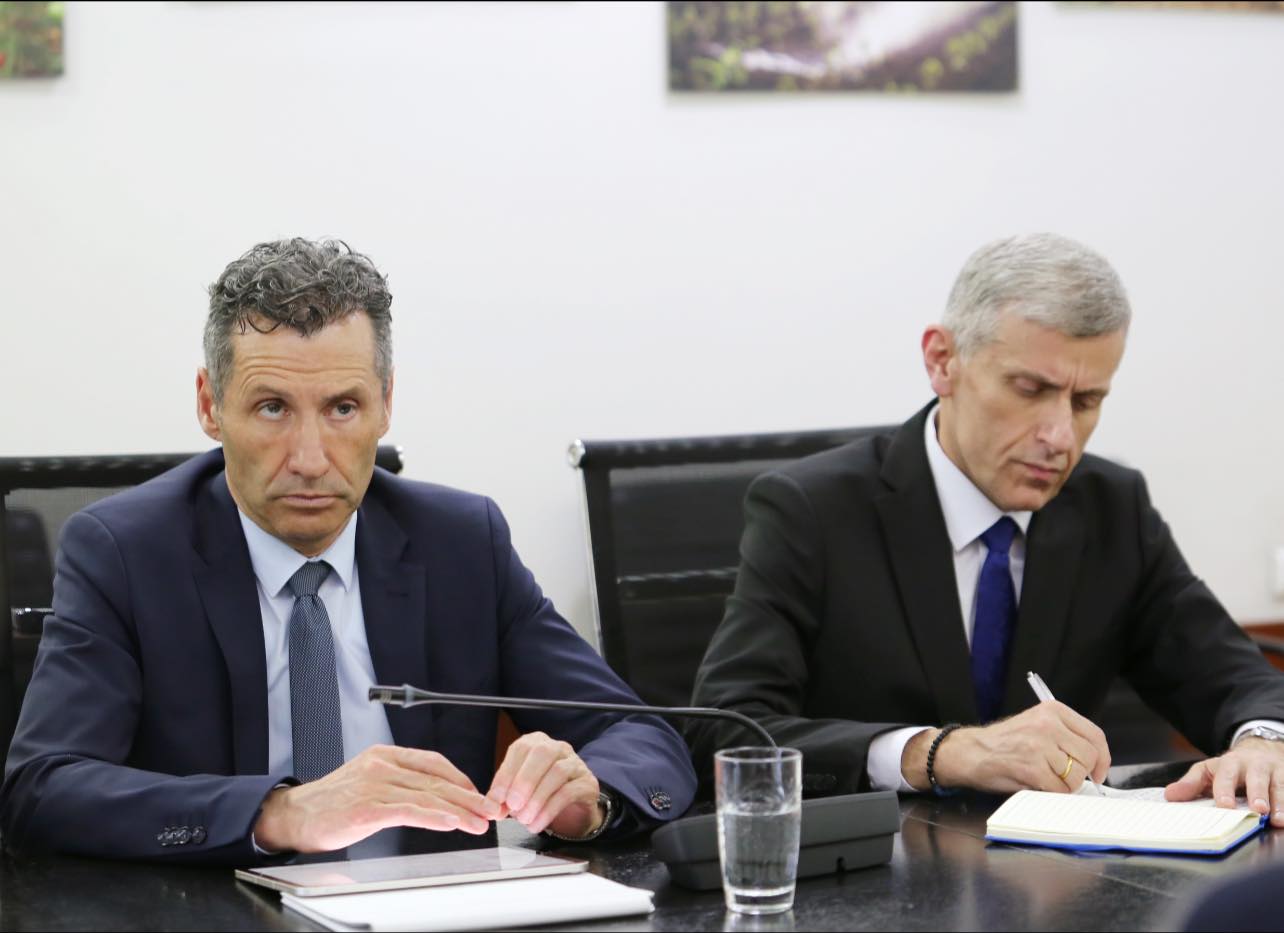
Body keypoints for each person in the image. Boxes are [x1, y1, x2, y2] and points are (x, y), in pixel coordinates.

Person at [1, 238, 695, 863]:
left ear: (385, 403)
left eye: (342, 408)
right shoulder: (125, 553)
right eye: (272, 407)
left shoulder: (460, 543)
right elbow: (42, 788)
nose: (310, 458)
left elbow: (644, 738)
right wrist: (280, 813)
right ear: (210, 404)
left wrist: (590, 799)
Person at [688, 233, 1284, 823]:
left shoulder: (1111, 508)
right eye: (1030, 389)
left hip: (1062, 868)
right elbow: (725, 731)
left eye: (1086, 402)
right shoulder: (813, 511)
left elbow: (1232, 674)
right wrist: (939, 753)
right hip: (879, 861)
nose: (1060, 437)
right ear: (942, 361)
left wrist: (1262, 742)